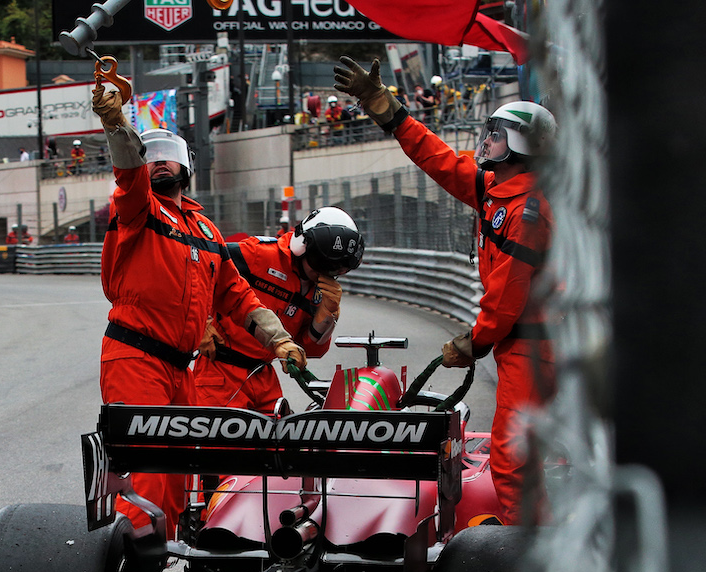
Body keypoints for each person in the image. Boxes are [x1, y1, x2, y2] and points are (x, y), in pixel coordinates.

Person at [335, 57, 557, 525]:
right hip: (531, 345)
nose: (487, 140)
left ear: (518, 144)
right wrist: (387, 109)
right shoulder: (498, 189)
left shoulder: (528, 210)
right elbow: (436, 158)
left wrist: (473, 343)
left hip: (537, 347)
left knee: (514, 460)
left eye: (496, 134)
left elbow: (507, 294)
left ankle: (522, 557)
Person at [91, 80, 306, 537]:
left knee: (177, 478)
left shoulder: (204, 228)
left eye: (167, 154)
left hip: (180, 368)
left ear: (186, 166)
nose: (157, 162)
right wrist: (117, 124)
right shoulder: (137, 209)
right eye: (150, 157)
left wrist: (280, 339)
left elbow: (237, 293)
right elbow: (128, 171)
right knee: (148, 478)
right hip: (135, 358)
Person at [193, 207, 363, 413]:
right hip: (219, 373)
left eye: (336, 269)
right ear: (303, 246)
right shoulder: (259, 254)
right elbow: (198, 268)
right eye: (322, 263)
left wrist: (327, 317)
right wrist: (200, 321)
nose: (324, 273)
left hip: (263, 377)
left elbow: (309, 350)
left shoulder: (324, 292)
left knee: (278, 441)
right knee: (222, 443)